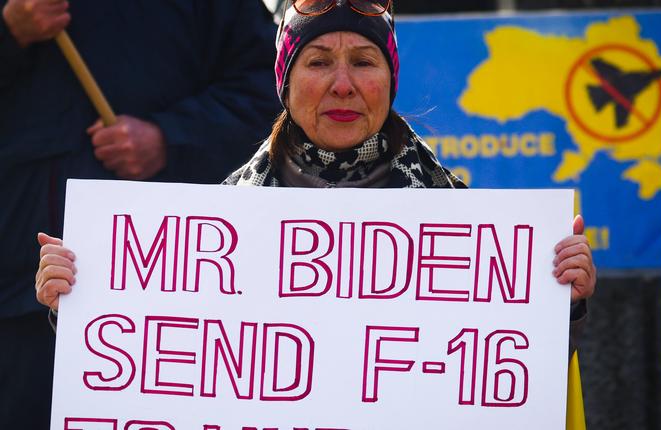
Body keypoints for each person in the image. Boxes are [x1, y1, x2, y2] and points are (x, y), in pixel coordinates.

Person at [34, 0, 596, 406]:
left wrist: (558, 300)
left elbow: (508, 379)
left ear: (390, 78)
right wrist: (76, 304)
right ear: (286, 80)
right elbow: (158, 373)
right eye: (319, 61)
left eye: (365, 61)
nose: (344, 84)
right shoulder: (220, 222)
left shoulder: (463, 226)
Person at [0, 0, 280, 427]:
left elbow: (272, 90)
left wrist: (171, 137)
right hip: (16, 292)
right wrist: (9, 32)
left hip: (168, 302)